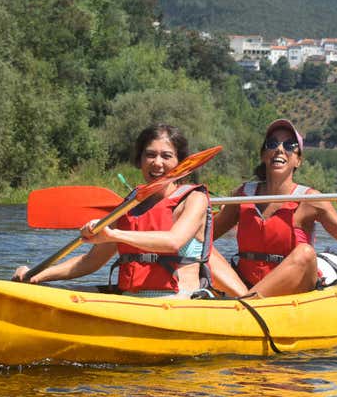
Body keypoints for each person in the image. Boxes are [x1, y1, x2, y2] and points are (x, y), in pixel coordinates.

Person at [13, 124, 237, 298]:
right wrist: (37, 275)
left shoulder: (193, 199)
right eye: (150, 155)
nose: (157, 163)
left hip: (178, 299)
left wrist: (113, 234)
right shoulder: (130, 205)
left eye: (166, 156)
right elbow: (91, 261)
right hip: (131, 299)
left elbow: (173, 242)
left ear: (180, 163)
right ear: (139, 160)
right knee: (45, 289)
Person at [210, 118, 337, 298]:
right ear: (263, 155)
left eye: (290, 145)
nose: (280, 149)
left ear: (298, 160)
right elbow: (205, 237)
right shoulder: (242, 195)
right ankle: (246, 301)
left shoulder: (312, 199)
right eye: (272, 143)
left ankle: (246, 304)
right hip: (244, 286)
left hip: (293, 288)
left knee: (305, 253)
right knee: (199, 244)